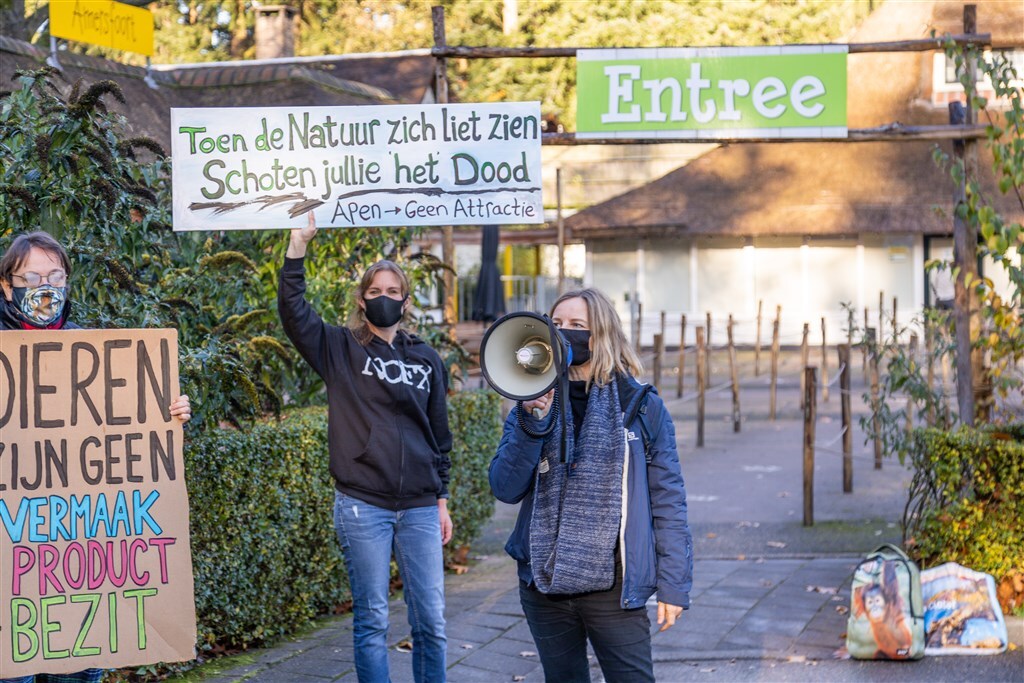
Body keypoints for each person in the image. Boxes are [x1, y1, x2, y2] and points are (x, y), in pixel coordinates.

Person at [0, 230, 191, 683]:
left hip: (78, 554)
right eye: (32, 276)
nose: (45, 286)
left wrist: (170, 412)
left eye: (56, 275)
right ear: (6, 285)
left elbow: (130, 436)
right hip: (13, 552)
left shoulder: (96, 353)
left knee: (80, 673)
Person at [277, 213, 452, 683]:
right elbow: (294, 311)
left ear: (407, 301)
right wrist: (298, 246)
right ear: (361, 298)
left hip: (418, 506)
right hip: (362, 505)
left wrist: (442, 500)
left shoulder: (427, 358)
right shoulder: (340, 349)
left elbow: (440, 436)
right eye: (375, 292)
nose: (385, 299)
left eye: (394, 292)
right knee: (372, 620)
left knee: (431, 622)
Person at [489, 288, 692, 683]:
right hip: (544, 583)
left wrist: (673, 585)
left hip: (612, 587)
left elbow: (668, 500)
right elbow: (505, 487)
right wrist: (533, 423)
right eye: (557, 324)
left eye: (577, 326)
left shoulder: (641, 405)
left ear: (601, 335)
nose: (564, 333)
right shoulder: (531, 400)